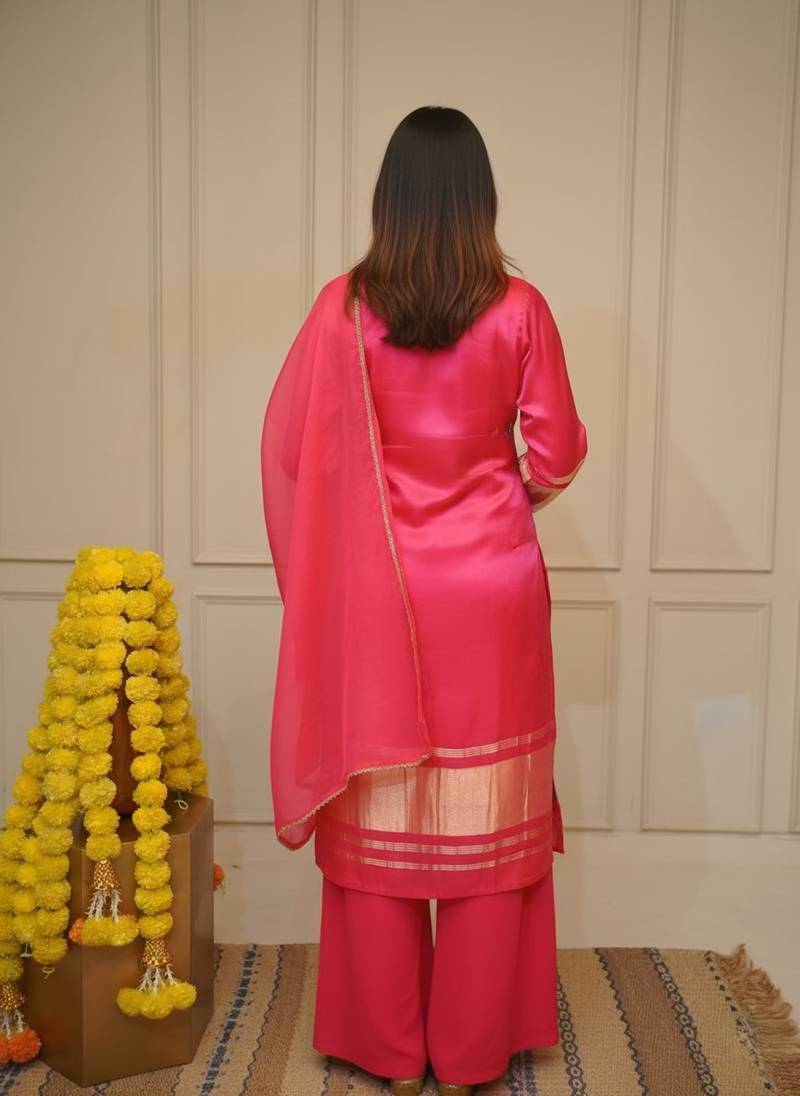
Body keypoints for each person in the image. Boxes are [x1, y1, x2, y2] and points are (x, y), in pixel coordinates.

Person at [260, 105, 588, 1096]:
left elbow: (289, 455)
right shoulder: (520, 308)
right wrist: (497, 496)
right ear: (480, 198)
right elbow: (557, 454)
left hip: (376, 593)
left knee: (383, 797)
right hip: (491, 594)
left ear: (389, 199)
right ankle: (473, 1052)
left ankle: (390, 1051)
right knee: (487, 814)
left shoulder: (342, 309)